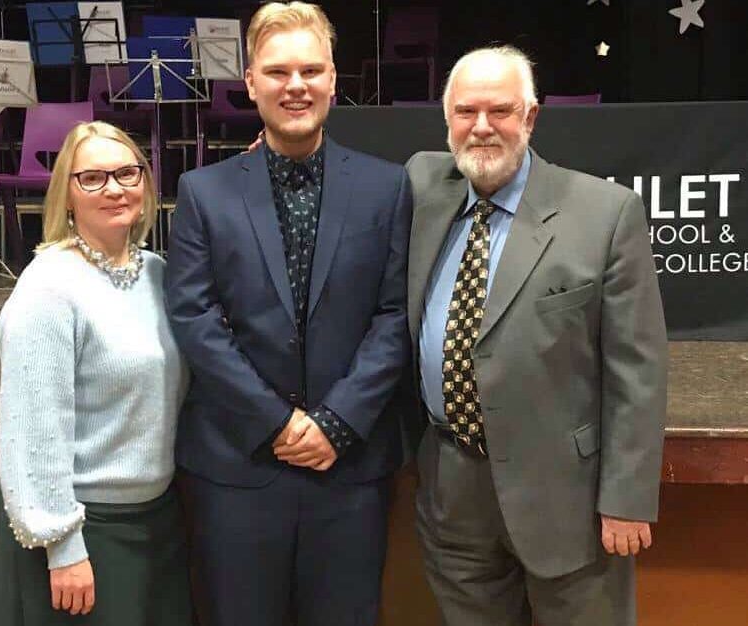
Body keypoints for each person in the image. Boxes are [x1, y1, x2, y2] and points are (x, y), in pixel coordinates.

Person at [164, 3, 411, 626]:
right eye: (277, 72)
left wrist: (335, 422)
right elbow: (194, 318)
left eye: (310, 70)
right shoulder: (202, 192)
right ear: (250, 82)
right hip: (237, 468)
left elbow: (394, 316)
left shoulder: (388, 187)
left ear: (334, 78)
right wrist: (275, 422)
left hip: (349, 468)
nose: (295, 86)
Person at [405, 45, 668, 626]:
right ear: (446, 118)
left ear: (530, 117)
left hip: (566, 499)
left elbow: (637, 371)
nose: (481, 127)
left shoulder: (606, 214)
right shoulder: (423, 187)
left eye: (500, 111)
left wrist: (626, 499)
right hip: (453, 495)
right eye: (465, 111)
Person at [0, 121, 192, 626]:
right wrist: (62, 545)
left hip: (155, 523)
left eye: (127, 172)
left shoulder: (160, 274)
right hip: (84, 533)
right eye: (93, 178)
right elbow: (34, 428)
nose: (116, 188)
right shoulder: (50, 287)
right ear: (67, 195)